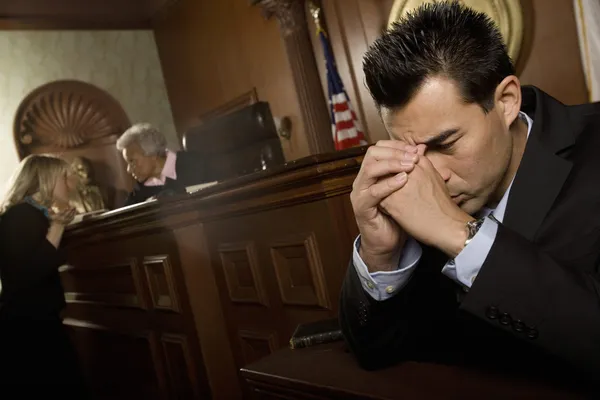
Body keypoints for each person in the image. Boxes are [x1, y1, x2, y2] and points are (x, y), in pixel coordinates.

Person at [340, 1, 600, 391]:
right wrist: (380, 255)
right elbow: (375, 351)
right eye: (412, 150)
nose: (433, 175)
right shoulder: (410, 183)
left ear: (507, 101)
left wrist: (460, 235)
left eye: (446, 143)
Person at [0, 154, 87, 396]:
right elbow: (28, 274)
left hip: (36, 325)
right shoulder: (20, 216)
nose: (70, 185)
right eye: (64, 178)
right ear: (46, 180)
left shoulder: (32, 215)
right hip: (27, 332)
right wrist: (57, 227)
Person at [117, 123, 207, 206]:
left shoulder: (194, 164)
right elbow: (123, 217)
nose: (128, 170)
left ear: (152, 154)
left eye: (132, 161)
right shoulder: (141, 187)